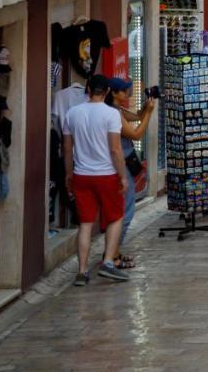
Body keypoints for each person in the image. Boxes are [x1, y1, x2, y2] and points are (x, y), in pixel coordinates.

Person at [62, 75, 130, 285]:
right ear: (108, 91)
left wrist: (69, 174)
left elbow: (67, 148)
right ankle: (108, 262)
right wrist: (122, 176)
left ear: (88, 90)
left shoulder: (72, 113)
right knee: (115, 217)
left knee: (85, 223)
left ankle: (82, 272)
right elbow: (116, 149)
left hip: (82, 175)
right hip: (107, 175)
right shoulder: (111, 115)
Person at [104, 77, 155, 269]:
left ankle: (114, 252)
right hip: (120, 166)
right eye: (124, 91)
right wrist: (149, 113)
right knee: (125, 211)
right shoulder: (113, 113)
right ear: (114, 93)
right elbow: (136, 134)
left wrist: (144, 108)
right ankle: (113, 255)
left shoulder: (117, 110)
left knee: (123, 210)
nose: (128, 94)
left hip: (119, 165)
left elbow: (136, 117)